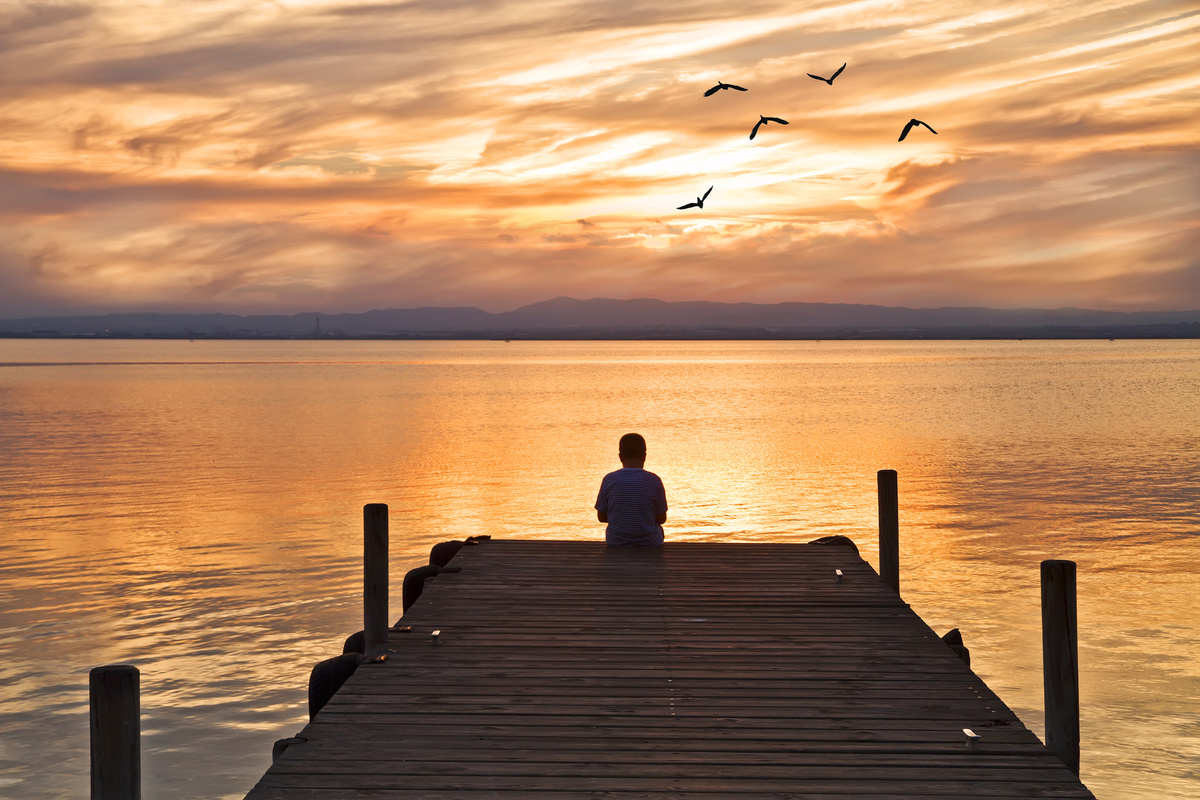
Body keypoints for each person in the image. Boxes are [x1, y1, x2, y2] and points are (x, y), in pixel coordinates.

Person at [594, 433, 668, 547]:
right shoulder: (654, 480)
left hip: (616, 541)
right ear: (644, 456)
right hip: (650, 542)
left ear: (620, 457)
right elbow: (662, 519)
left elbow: (602, 517)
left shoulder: (609, 479)